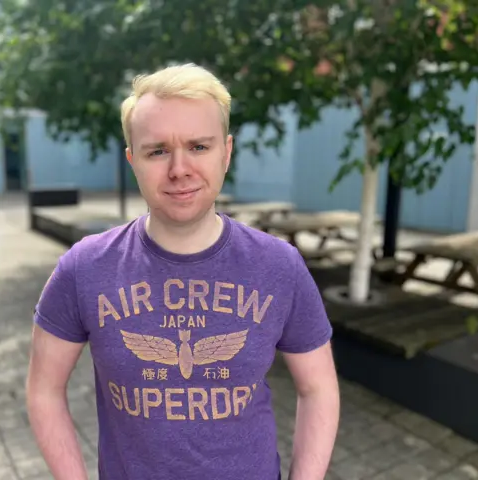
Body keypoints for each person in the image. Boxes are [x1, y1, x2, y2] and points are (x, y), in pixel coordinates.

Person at [26, 63, 340, 480]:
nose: (179, 169)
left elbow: (318, 388)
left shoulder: (279, 266)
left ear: (226, 152)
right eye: (157, 150)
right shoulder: (84, 268)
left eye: (198, 146)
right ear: (132, 159)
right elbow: (44, 389)